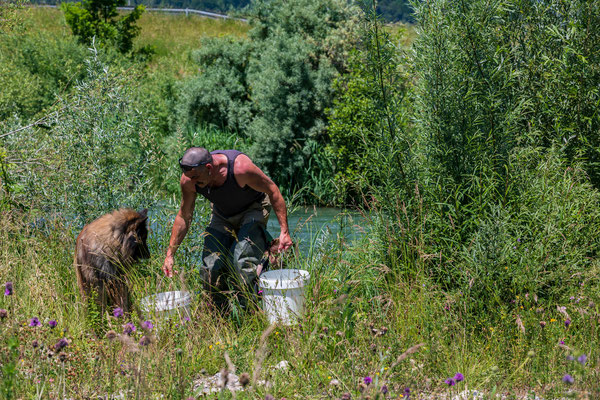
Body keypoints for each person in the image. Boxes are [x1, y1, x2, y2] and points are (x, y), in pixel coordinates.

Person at [162, 147, 293, 309]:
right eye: (189, 177)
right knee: (210, 268)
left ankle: (251, 313)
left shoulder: (240, 168)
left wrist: (284, 232)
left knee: (241, 262)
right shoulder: (189, 179)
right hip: (222, 213)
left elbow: (273, 190)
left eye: (195, 177)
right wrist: (170, 254)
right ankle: (220, 317)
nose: (192, 181)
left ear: (209, 168)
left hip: (254, 208)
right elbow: (184, 215)